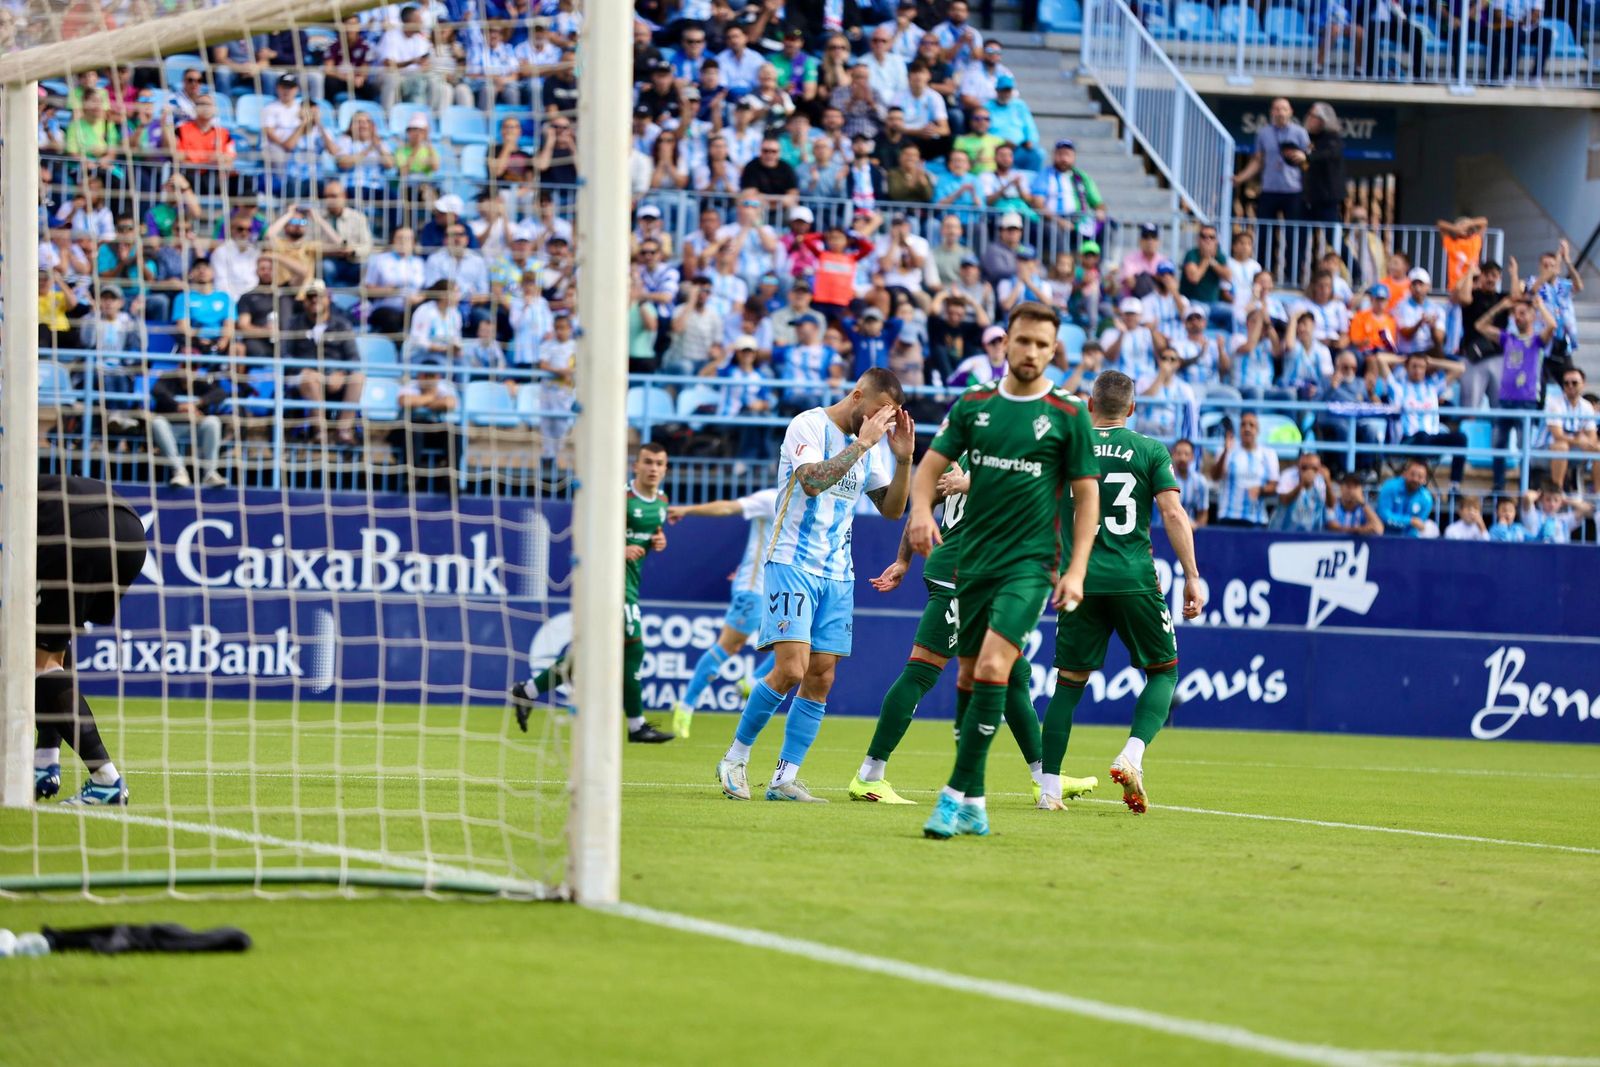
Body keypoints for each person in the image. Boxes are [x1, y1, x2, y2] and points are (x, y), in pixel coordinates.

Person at [907, 302, 1100, 840]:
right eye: (1024, 341)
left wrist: (1077, 569)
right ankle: (974, 802)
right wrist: (920, 511)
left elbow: (1088, 498)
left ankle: (952, 796)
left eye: (1043, 344)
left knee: (995, 664)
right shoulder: (974, 406)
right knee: (968, 676)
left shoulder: (1068, 413)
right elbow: (929, 469)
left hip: (1032, 565)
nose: (1032, 351)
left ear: (1053, 349)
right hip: (976, 562)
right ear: (1006, 344)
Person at [716, 369, 914, 803]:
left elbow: (892, 511)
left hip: (838, 572)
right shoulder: (807, 424)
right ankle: (735, 758)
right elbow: (810, 480)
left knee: (821, 677)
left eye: (890, 417)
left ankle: (785, 778)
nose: (883, 424)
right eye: (879, 413)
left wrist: (902, 460)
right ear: (858, 396)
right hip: (792, 562)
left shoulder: (877, 446)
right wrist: (862, 444)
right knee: (791, 669)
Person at [851, 456, 1097, 806]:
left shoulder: (964, 455)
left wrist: (905, 559)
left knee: (1013, 672)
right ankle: (869, 776)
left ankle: (1045, 779)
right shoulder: (1002, 453)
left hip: (974, 576)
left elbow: (923, 506)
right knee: (921, 671)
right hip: (959, 576)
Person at [1039, 370, 1204, 813]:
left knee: (1067, 686)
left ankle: (1049, 790)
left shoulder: (1067, 447)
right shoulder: (1150, 449)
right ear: (1132, 408)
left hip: (1080, 580)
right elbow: (1172, 512)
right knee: (1164, 672)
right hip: (1133, 578)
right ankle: (1132, 754)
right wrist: (1191, 574)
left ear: (1089, 405)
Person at [510, 444, 678, 743]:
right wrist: (619, 549)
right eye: (648, 462)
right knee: (635, 648)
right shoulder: (620, 499)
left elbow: (645, 539)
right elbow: (590, 537)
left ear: (666, 469)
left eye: (659, 464)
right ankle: (637, 725)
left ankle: (528, 691)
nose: (653, 468)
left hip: (629, 584)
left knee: (582, 659)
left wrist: (658, 541)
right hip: (606, 584)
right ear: (635, 466)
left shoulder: (662, 503)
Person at [31, 476, 147, 805]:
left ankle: (105, 778)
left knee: (31, 660)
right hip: (129, 528)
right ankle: (45, 761)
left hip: (72, 529)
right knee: (50, 649)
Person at [664, 491, 781, 738]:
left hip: (782, 590)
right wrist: (687, 510)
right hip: (754, 588)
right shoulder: (772, 499)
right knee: (729, 646)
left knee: (799, 644)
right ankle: (685, 706)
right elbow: (728, 507)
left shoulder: (807, 506)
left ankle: (751, 681)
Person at [1477, 293, 1557, 492]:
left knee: (1525, 448)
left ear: (1531, 316)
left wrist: (1540, 307)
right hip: (1505, 401)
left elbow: (1552, 327)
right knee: (1498, 446)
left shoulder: (1537, 340)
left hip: (1527, 402)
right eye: (1515, 313)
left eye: (1522, 313)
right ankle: (1498, 487)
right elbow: (1480, 326)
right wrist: (1501, 307)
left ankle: (1527, 487)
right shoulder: (1508, 338)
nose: (1517, 317)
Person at [1232, 98, 1309, 279]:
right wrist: (1241, 178)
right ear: (1271, 112)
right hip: (1269, 189)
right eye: (1276, 109)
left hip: (1293, 191)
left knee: (1293, 235)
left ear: (1290, 112)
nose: (1280, 112)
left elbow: (1309, 160)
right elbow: (1258, 161)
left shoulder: (1300, 133)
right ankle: (1264, 273)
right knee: (1265, 234)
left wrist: (1304, 156)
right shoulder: (1263, 134)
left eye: (1284, 109)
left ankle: (1293, 276)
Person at [1376, 351, 1468, 488]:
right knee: (1422, 436)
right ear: (1407, 368)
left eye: (1421, 367)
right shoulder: (1397, 388)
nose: (1418, 370)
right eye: (1414, 366)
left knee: (1461, 438)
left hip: (1431, 439)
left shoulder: (1432, 388)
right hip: (1408, 440)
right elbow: (1380, 358)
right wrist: (1404, 359)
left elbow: (1460, 368)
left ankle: (1454, 486)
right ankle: (1419, 481)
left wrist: (1431, 361)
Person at [149, 361, 228, 489]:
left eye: (193, 367)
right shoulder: (167, 379)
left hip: (195, 428)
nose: (188, 370)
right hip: (172, 428)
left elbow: (221, 394)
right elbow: (157, 391)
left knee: (213, 422)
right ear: (178, 366)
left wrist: (196, 405)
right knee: (157, 422)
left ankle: (210, 473)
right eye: (184, 366)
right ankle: (179, 471)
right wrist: (180, 407)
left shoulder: (201, 382)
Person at [1209, 411, 1278, 527]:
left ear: (1258, 430)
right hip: (1228, 516)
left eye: (1251, 425)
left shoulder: (1268, 454)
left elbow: (1274, 485)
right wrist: (1226, 451)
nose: (1247, 428)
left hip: (1257, 519)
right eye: (1243, 425)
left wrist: (1261, 490)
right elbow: (1215, 476)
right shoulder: (1226, 451)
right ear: (1239, 429)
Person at [1545, 366, 1600, 496]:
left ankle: (1598, 496)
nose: (1570, 386)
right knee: (1561, 446)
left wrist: (1585, 442)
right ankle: (1556, 493)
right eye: (1566, 383)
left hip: (1574, 448)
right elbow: (1557, 435)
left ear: (1583, 384)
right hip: (1547, 449)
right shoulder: (1555, 403)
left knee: (1598, 448)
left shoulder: (1586, 406)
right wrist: (1579, 440)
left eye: (1574, 383)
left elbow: (1591, 438)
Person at [1375, 457, 1435, 537]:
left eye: (1420, 476)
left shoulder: (1426, 499)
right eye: (1412, 474)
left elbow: (1417, 526)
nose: (1415, 479)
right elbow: (1384, 515)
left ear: (1425, 480)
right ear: (1405, 473)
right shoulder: (1390, 487)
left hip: (1408, 541)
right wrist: (1410, 521)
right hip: (1383, 537)